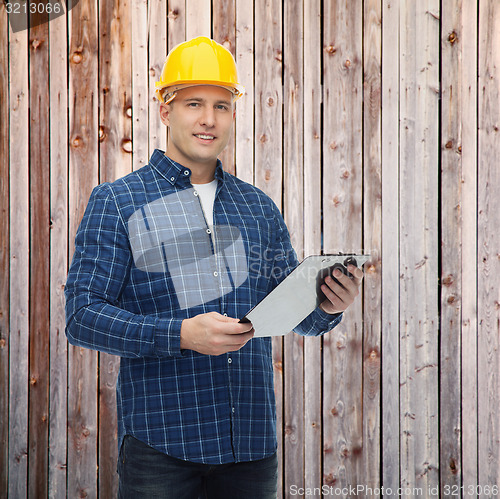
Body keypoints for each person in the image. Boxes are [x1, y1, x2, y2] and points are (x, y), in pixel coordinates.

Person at [65, 36, 364, 499]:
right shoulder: (118, 202)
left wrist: (328, 305)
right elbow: (82, 317)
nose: (209, 119)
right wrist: (181, 334)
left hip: (250, 448)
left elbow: (296, 314)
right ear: (165, 110)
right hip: (160, 449)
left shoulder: (256, 208)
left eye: (222, 106)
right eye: (194, 104)